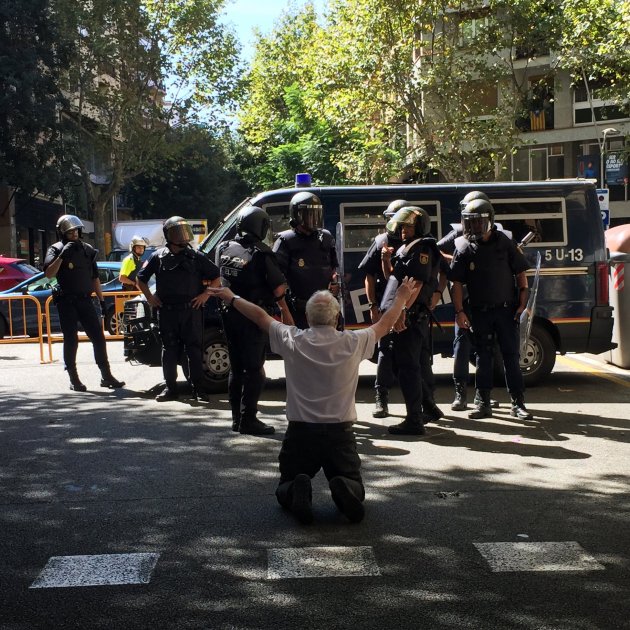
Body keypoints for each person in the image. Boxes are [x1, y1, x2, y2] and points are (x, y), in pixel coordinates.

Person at [208, 277, 418, 524]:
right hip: (340, 434)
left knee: (285, 485)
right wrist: (401, 298)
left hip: (300, 433)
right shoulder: (354, 341)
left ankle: (296, 487)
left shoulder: (293, 339)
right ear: (337, 318)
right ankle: (345, 486)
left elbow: (260, 316)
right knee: (355, 484)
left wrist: (231, 297)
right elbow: (385, 323)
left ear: (307, 318)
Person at [449, 198, 533, 420]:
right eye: (470, 222)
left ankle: (518, 403)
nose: (474, 226)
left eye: (479, 221)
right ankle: (482, 403)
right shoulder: (463, 247)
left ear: (489, 220)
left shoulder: (505, 242)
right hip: (479, 312)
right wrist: (459, 312)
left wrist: (522, 305)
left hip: (506, 312)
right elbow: (456, 283)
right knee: (483, 357)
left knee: (511, 357)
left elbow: (521, 274)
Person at [216, 205, 292, 435]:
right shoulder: (261, 252)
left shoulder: (223, 247)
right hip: (253, 316)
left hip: (229, 313)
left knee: (236, 368)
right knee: (255, 369)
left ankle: (236, 418)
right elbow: (278, 289)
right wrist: (285, 308)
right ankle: (248, 419)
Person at [136, 216, 220, 402]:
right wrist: (150, 298)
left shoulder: (196, 256)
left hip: (191, 311)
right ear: (168, 235)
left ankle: (198, 390)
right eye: (177, 232)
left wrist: (206, 295)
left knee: (194, 351)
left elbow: (217, 277)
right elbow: (140, 279)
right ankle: (171, 389)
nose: (183, 236)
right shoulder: (157, 257)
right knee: (169, 351)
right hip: (167, 312)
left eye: (184, 231)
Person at [43, 214, 125, 391]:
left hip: (85, 300)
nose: (74, 233)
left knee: (99, 338)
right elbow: (49, 274)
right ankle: (74, 378)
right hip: (67, 301)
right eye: (70, 231)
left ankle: (106, 375)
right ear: (62, 232)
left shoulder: (87, 250)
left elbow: (94, 278)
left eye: (76, 230)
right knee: (71, 340)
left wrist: (102, 300)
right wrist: (62, 256)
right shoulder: (55, 249)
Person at [380, 206, 442, 435]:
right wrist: (386, 259)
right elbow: (393, 278)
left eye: (408, 226)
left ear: (419, 226)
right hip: (404, 315)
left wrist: (401, 311)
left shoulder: (422, 249)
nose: (403, 229)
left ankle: (414, 420)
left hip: (411, 317)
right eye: (402, 226)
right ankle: (429, 407)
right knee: (402, 365)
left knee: (408, 368)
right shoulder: (406, 248)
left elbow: (415, 283)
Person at [437, 190, 491, 411]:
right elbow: (436, 251)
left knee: (486, 350)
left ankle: (483, 395)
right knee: (461, 346)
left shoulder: (496, 234)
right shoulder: (459, 233)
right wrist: (458, 261)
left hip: (488, 300)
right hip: (465, 299)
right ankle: (461, 393)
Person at [272, 191, 339, 329]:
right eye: (309, 214)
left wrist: (335, 281)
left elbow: (334, 268)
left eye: (316, 214)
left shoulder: (326, 238)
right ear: (296, 215)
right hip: (298, 311)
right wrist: (284, 311)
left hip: (325, 310)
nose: (313, 219)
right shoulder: (286, 241)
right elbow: (275, 279)